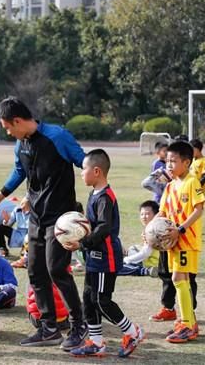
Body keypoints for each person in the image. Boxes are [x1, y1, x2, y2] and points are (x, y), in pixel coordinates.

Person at [0, 97, 87, 350]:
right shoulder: (21, 144)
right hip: (36, 217)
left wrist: (97, 191)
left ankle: (79, 325)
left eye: (8, 127)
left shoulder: (57, 136)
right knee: (35, 270)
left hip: (61, 218)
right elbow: (20, 171)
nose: (9, 133)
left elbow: (83, 161)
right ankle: (48, 328)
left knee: (57, 270)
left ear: (17, 121)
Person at [64, 149, 143, 357]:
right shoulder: (94, 194)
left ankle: (133, 332)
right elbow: (91, 225)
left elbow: (104, 228)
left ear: (97, 171)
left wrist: (81, 243)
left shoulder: (105, 198)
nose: (81, 173)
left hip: (105, 258)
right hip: (94, 257)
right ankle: (96, 343)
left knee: (102, 300)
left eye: (83, 169)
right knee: (89, 300)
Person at [158, 141, 205, 343]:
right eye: (167, 160)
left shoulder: (192, 182)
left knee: (179, 279)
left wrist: (181, 229)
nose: (169, 164)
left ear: (186, 162)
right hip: (172, 242)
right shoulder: (170, 186)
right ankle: (187, 322)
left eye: (173, 161)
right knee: (178, 280)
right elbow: (162, 212)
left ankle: (187, 324)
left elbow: (199, 209)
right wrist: (151, 230)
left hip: (186, 240)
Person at [117, 200, 159, 277]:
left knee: (115, 268)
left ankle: (145, 271)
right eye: (142, 214)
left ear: (155, 215)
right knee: (133, 248)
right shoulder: (157, 226)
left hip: (152, 263)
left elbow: (146, 253)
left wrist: (127, 260)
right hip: (156, 261)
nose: (144, 217)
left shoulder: (151, 230)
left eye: (147, 214)